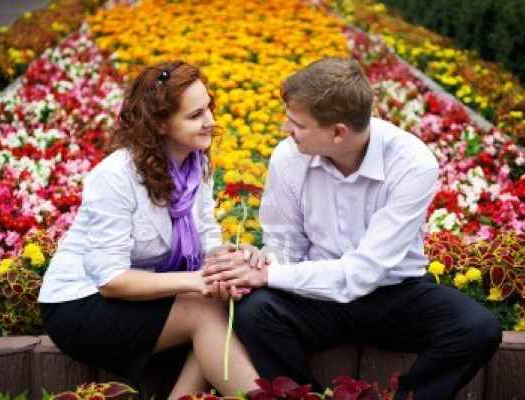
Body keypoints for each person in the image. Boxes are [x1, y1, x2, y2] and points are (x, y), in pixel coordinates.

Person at [202, 57, 502, 400]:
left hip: (394, 292)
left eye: (297, 123)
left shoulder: (412, 162)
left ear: (338, 132)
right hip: (315, 295)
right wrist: (263, 263)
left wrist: (268, 276)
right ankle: (306, 396)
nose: (286, 129)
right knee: (254, 312)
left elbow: (364, 272)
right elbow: (284, 243)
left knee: (478, 328)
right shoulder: (289, 156)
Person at [37, 61, 261, 399]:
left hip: (143, 292)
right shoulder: (115, 177)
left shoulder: (194, 166)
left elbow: (206, 236)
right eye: (196, 114)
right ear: (159, 123)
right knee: (206, 307)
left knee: (230, 301)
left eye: (209, 107)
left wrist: (233, 260)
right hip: (81, 304)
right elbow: (111, 281)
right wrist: (198, 281)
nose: (211, 122)